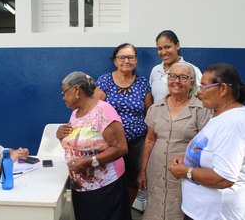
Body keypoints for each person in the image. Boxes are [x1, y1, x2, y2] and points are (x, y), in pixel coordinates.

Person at [169, 63, 245, 220]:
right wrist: (188, 159)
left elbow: (224, 178)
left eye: (203, 87)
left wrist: (186, 171)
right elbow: (213, 153)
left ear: (223, 89)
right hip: (199, 211)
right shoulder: (220, 115)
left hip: (215, 214)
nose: (199, 93)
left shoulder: (233, 123)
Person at [137, 62, 211, 220]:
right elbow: (150, 140)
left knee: (180, 208)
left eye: (183, 77)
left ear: (192, 82)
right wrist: (142, 171)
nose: (176, 81)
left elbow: (206, 146)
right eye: (172, 76)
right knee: (155, 206)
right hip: (156, 168)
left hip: (185, 171)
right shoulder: (156, 108)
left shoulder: (201, 109)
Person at [56, 71, 132, 220]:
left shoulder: (103, 111)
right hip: (82, 187)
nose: (63, 97)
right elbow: (77, 144)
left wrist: (88, 162)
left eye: (64, 92)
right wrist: (60, 135)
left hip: (105, 188)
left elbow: (120, 147)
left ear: (77, 90)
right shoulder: (76, 113)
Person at [95, 43, 153, 205]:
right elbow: (95, 110)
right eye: (122, 57)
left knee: (133, 179)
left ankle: (125, 210)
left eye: (131, 57)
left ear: (136, 60)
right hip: (109, 143)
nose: (126, 61)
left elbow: (149, 115)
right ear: (115, 61)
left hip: (136, 143)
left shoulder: (142, 83)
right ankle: (110, 210)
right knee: (107, 177)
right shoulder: (105, 80)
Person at [150, 30, 202, 103]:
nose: (163, 52)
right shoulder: (155, 70)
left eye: (167, 47)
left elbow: (201, 97)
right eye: (160, 48)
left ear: (177, 45)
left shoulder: (192, 70)